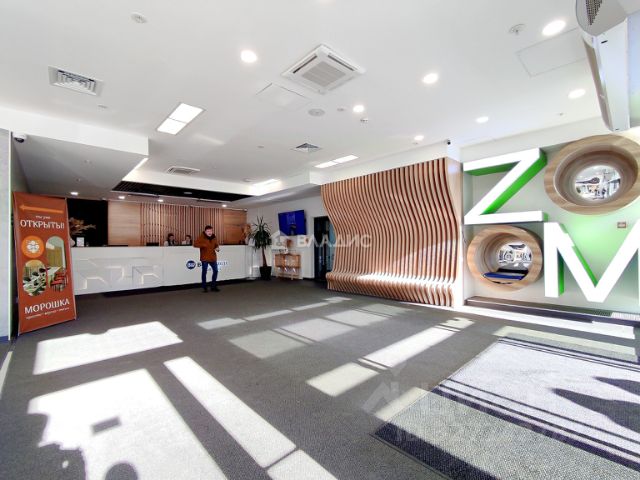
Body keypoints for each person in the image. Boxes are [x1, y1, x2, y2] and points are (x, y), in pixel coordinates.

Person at [194, 225, 220, 292]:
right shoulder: (201, 237)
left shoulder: (214, 237)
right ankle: (204, 287)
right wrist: (203, 245)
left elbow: (216, 244)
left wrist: (217, 248)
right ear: (205, 232)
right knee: (204, 272)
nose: (210, 232)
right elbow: (195, 244)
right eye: (208, 231)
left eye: (211, 231)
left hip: (213, 257)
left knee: (216, 271)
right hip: (204, 258)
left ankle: (213, 286)